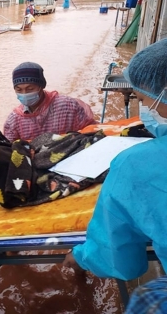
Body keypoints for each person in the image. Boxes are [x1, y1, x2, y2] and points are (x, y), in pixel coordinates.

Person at [62, 39, 167, 281]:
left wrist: (81, 257)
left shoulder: (135, 165)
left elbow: (119, 258)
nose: (144, 109)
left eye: (143, 100)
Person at [3, 62, 97, 142]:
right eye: (19, 90)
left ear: (41, 86)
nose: (24, 94)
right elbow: (9, 150)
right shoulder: (13, 120)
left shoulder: (68, 106)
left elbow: (91, 131)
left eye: (30, 89)